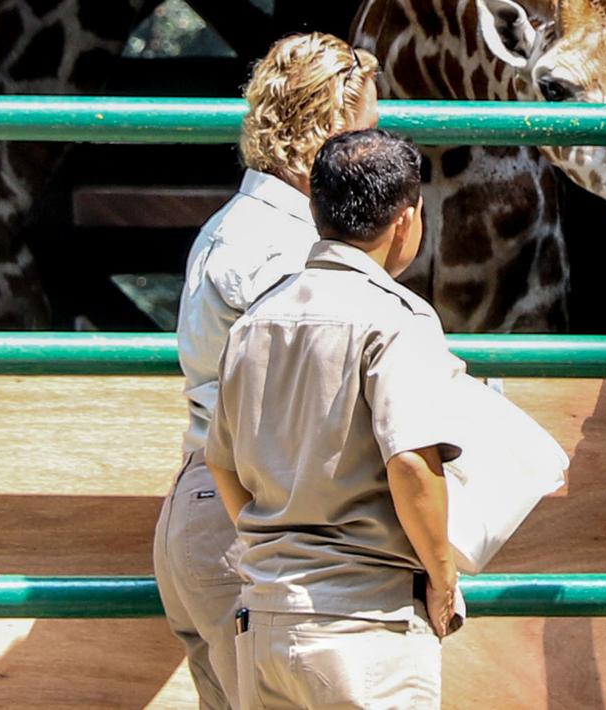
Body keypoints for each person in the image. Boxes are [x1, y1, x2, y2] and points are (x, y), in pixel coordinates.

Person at [152, 33, 379, 710]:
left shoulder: (241, 225)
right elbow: (298, 416)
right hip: (250, 514)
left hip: (211, 508)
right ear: (330, 129)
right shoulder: (285, 251)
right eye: (365, 132)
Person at [205, 129, 463, 710]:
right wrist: (443, 574)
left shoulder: (255, 321)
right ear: (407, 218)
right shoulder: (399, 320)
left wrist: (270, 544)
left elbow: (219, 464)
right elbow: (411, 465)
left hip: (267, 619)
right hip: (365, 622)